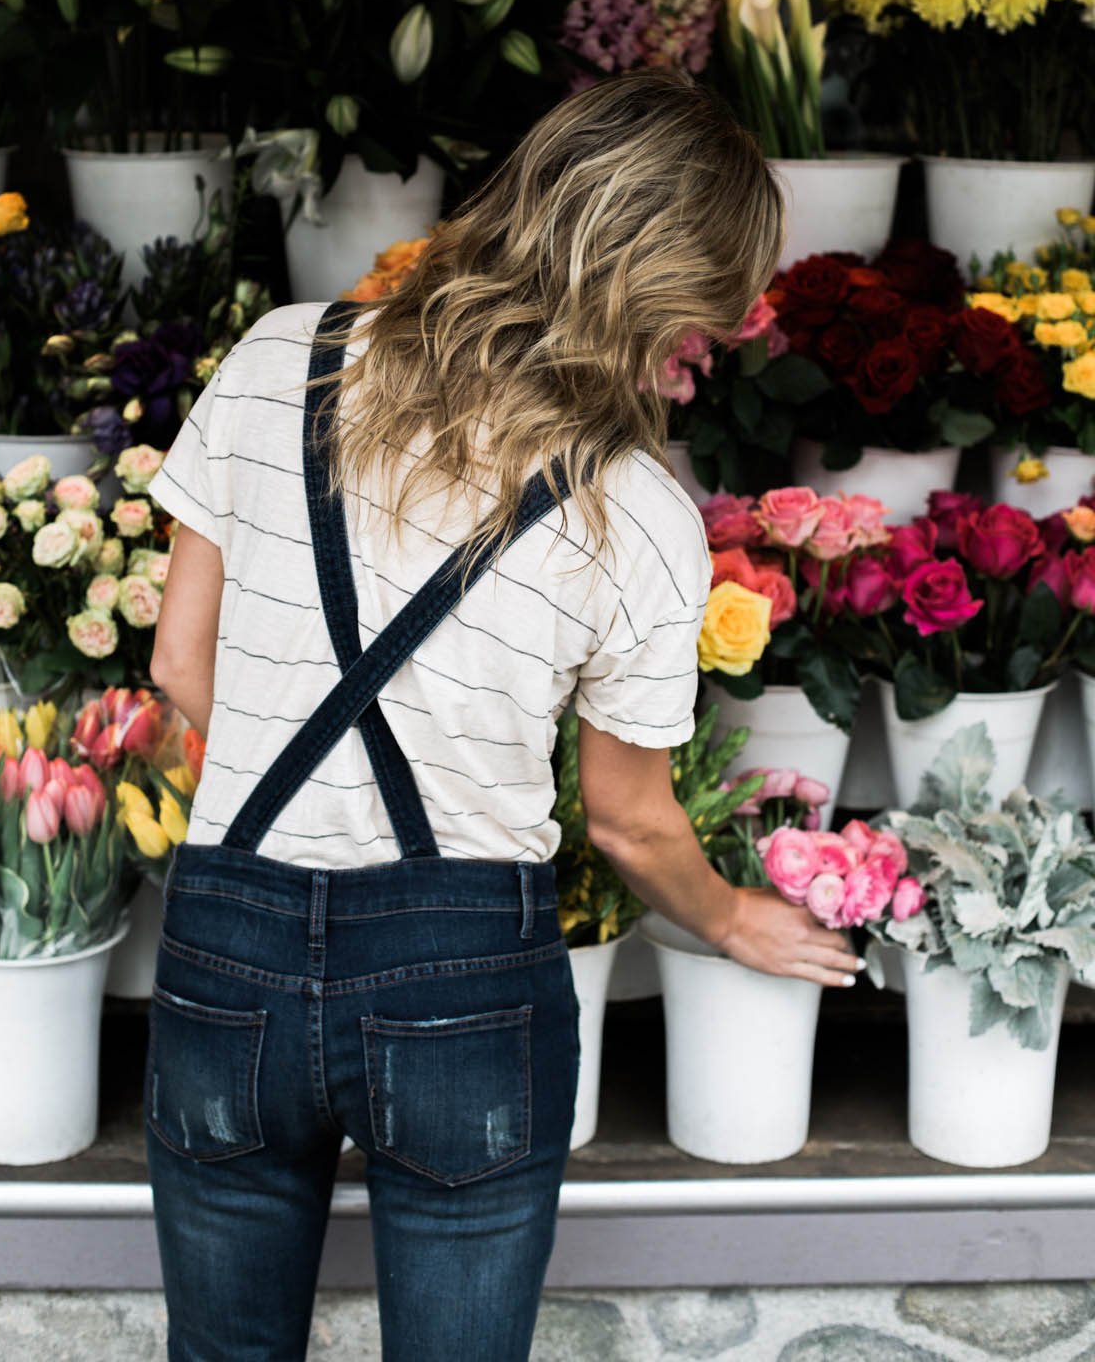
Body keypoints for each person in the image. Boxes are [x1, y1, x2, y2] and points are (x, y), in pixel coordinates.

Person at [145, 66, 861, 1362]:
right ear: (667, 292)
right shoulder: (635, 510)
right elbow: (630, 824)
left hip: (228, 940)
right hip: (462, 977)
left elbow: (180, 661)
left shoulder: (280, 361)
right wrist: (731, 916)